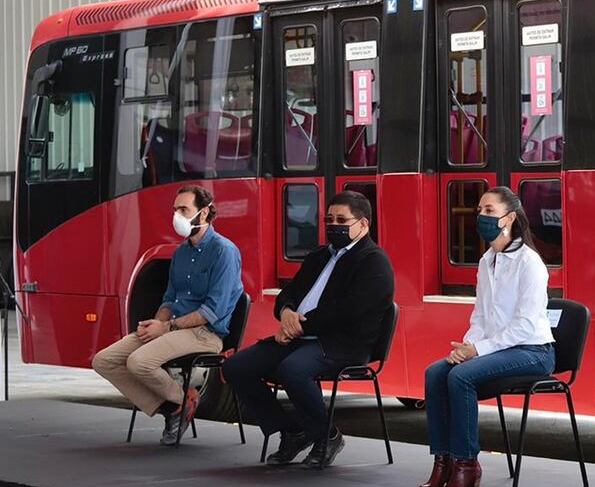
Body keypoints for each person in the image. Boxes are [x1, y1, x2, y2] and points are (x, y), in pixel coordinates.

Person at [223, 190, 394, 469]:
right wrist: (287, 313)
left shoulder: (374, 262)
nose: (333, 225)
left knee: (292, 369)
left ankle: (327, 436)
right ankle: (293, 431)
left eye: (342, 219)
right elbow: (288, 293)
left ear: (363, 225)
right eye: (329, 219)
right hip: (301, 336)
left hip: (342, 343)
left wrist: (297, 327)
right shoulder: (318, 256)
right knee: (236, 367)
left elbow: (348, 310)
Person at [418, 186, 555, 487]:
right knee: (436, 372)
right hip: (497, 348)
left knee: (462, 377)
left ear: (509, 218)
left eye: (489, 211)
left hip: (533, 351)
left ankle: (467, 464)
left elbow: (524, 326)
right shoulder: (486, 260)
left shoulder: (529, 262)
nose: (481, 216)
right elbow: (480, 316)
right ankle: (444, 461)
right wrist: (467, 348)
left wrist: (477, 351)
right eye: (479, 210)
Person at [93, 185, 243, 445]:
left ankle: (181, 402)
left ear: (204, 213)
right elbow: (170, 299)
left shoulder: (224, 251)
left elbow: (212, 311)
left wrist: (167, 327)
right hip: (174, 328)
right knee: (103, 360)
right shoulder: (180, 252)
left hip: (206, 334)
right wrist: (158, 322)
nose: (177, 216)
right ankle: (175, 405)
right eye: (175, 210)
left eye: (184, 210)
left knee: (139, 362)